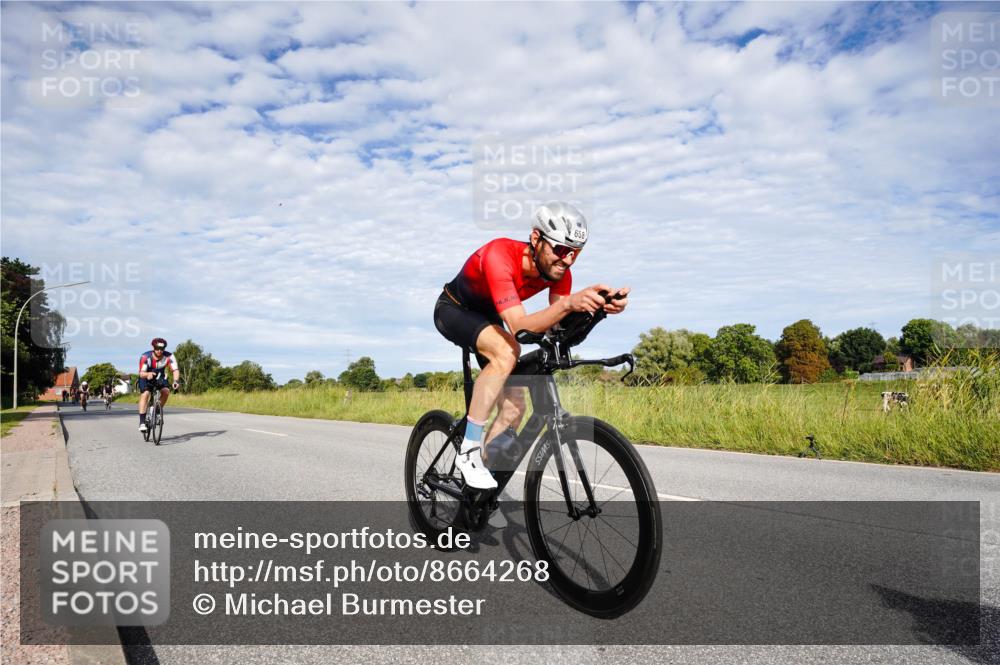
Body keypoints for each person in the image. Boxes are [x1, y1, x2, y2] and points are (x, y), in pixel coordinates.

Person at [433, 201, 628, 489]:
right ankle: (469, 450)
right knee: (508, 349)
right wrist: (572, 302)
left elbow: (558, 326)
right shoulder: (500, 255)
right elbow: (521, 327)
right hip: (455, 308)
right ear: (536, 238)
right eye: (561, 250)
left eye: (576, 253)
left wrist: (596, 311)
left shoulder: (559, 272)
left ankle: (480, 494)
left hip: (490, 317)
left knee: (513, 409)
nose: (568, 260)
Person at [137, 338, 181, 432]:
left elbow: (175, 370)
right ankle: (142, 423)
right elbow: (141, 373)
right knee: (145, 394)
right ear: (153, 348)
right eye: (157, 348)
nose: (160, 351)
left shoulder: (169, 356)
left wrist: (176, 381)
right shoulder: (145, 356)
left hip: (159, 376)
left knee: (166, 391)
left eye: (162, 348)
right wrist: (147, 374)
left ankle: (157, 411)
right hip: (146, 376)